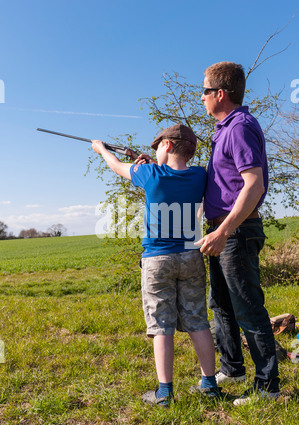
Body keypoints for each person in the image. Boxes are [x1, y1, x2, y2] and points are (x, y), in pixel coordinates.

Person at [92, 124, 221, 407]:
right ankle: (209, 385)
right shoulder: (200, 174)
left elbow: (116, 166)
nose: (156, 151)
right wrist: (154, 162)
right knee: (198, 320)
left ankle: (164, 393)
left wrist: (101, 149)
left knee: (161, 325)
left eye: (158, 145)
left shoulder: (149, 174)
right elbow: (176, 175)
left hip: (157, 260)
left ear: (168, 146)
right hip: (190, 256)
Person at [195, 61, 280, 405]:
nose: (201, 98)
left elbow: (254, 185)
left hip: (236, 231)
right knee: (222, 305)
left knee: (247, 308)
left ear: (220, 94)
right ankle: (233, 368)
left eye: (204, 91)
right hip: (222, 230)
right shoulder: (223, 129)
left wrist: (224, 232)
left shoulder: (239, 127)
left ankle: (267, 389)